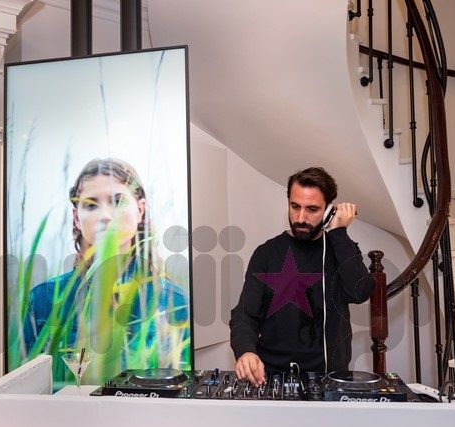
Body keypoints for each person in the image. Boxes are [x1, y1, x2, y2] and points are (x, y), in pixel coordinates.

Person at [23, 158, 190, 384]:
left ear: (140, 210)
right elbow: (29, 387)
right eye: (91, 205)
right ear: (77, 218)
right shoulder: (44, 300)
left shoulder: (173, 301)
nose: (105, 216)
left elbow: (182, 385)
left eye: (118, 202)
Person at [229, 167, 374, 386]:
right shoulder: (266, 253)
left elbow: (359, 292)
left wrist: (338, 232)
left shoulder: (340, 248)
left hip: (330, 376)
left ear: (328, 211)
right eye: (295, 206)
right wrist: (245, 351)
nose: (301, 218)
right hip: (272, 376)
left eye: (312, 209)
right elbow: (244, 313)